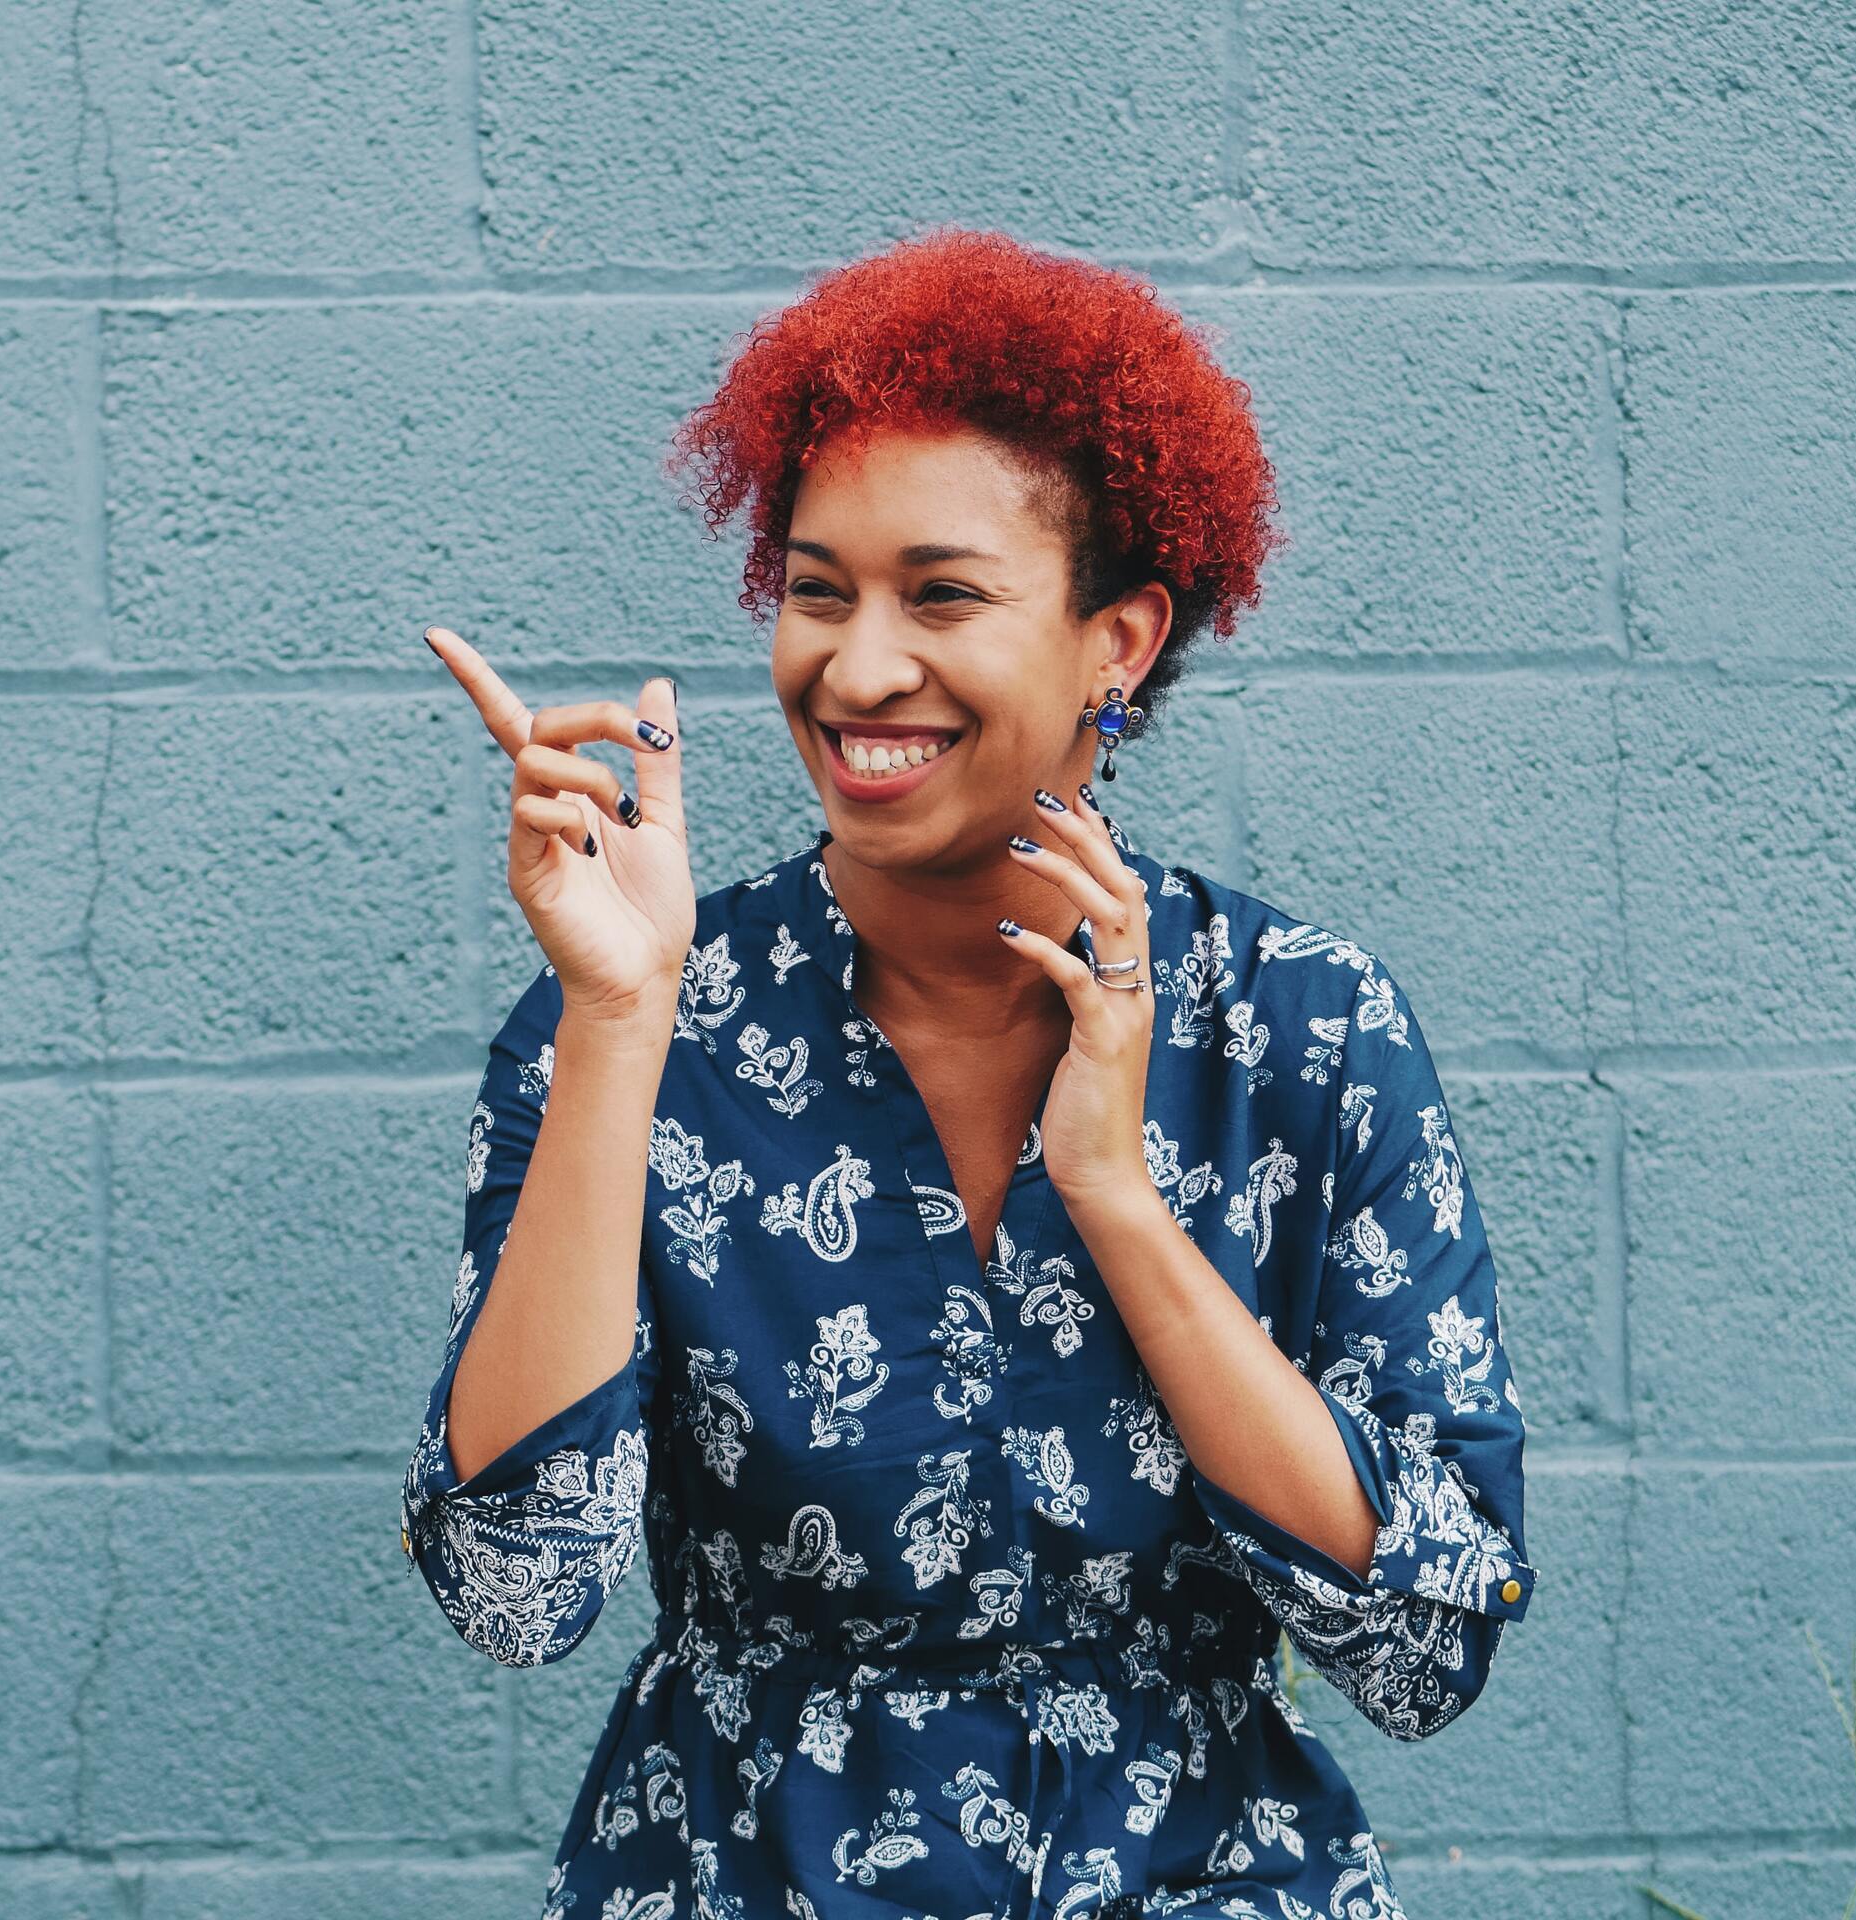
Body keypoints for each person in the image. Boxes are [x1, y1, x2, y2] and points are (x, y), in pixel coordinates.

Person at [402, 225, 1532, 1920]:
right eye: (813, 589)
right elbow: (513, 1591)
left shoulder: (1299, 1032)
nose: (855, 670)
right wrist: (622, 1024)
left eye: (943, 594)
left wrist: (1118, 1204)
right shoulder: (634, 1022)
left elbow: (1428, 1643)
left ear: (1117, 642)